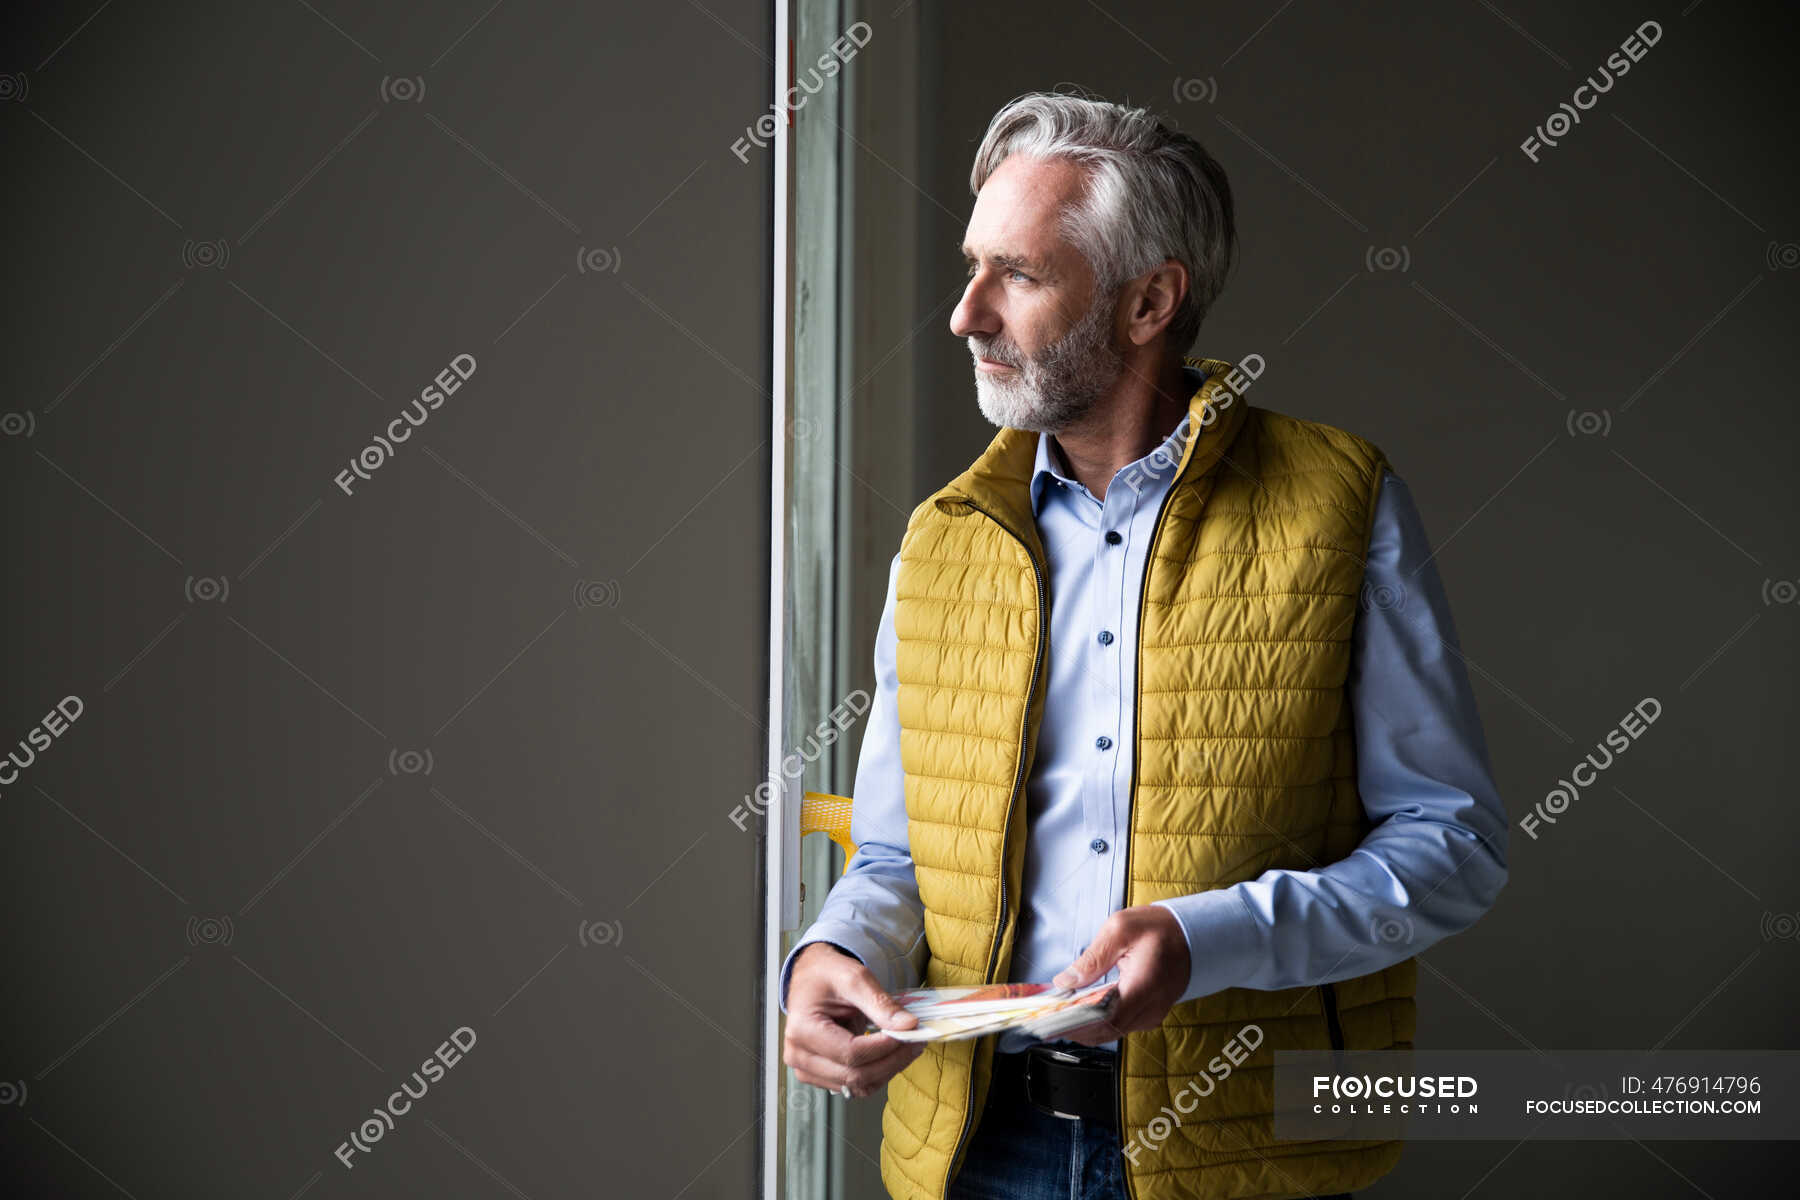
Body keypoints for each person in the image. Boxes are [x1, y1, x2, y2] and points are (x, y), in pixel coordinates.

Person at [779, 89, 1509, 1200]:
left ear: (1149, 303)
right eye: (973, 268)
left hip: (1242, 1152)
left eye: (1018, 275)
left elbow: (1453, 842)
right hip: (982, 1152)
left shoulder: (1339, 501)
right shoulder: (942, 541)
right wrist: (836, 956)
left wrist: (1206, 938)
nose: (966, 314)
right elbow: (897, 857)